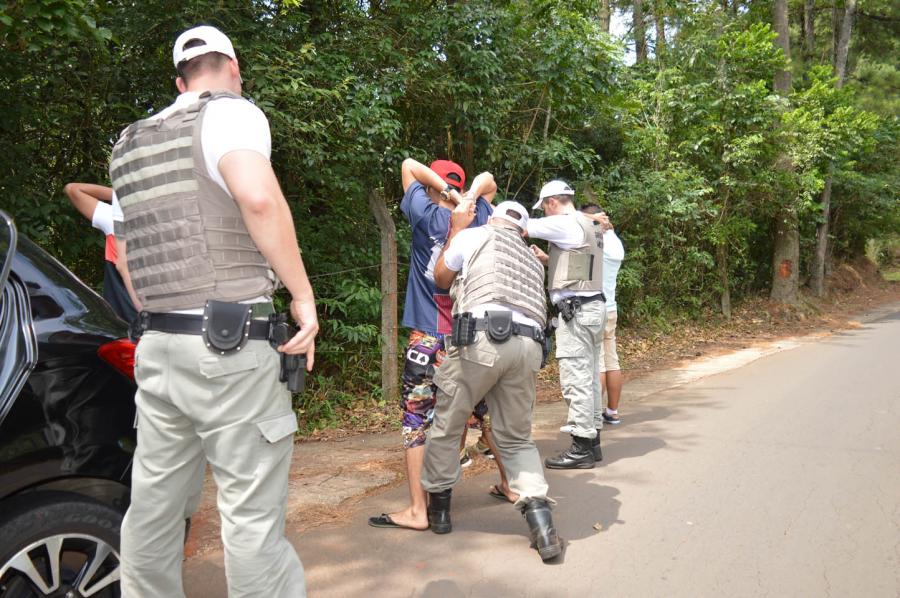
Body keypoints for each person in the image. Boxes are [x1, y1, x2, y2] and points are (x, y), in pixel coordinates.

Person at [108, 26, 317, 597]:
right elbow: (257, 197)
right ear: (233, 66)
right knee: (249, 516)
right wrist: (301, 296)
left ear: (179, 80)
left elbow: (125, 251)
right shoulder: (231, 113)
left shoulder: (129, 142)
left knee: (151, 511)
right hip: (228, 346)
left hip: (158, 347)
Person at [369, 157, 514, 530]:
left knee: (417, 417)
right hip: (469, 335)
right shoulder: (480, 214)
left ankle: (420, 510)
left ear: (434, 186)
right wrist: (469, 194)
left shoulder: (425, 212)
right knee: (482, 411)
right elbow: (490, 182)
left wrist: (445, 193)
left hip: (428, 335)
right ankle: (513, 485)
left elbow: (407, 165)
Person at [421, 200, 562, 562]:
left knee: (448, 423)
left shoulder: (475, 235)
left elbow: (440, 278)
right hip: (529, 347)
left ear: (494, 218)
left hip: (481, 340)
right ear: (522, 228)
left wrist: (454, 230)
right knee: (515, 437)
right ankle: (542, 522)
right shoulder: (533, 258)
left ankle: (439, 512)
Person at [527, 180, 606, 469]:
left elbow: (520, 224)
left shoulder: (564, 222)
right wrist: (550, 260)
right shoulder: (590, 227)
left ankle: (581, 447)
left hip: (577, 313)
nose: (544, 213)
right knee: (590, 376)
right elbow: (579, 266)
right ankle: (593, 441)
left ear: (551, 202)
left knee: (577, 379)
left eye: (544, 208)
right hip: (593, 307)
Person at [65, 182, 138, 322]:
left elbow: (73, 189)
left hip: (118, 323)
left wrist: (120, 196)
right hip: (159, 322)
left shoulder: (114, 222)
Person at [582, 204, 625, 425]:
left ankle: (594, 414)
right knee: (612, 361)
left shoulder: (596, 242)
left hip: (596, 306)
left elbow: (571, 218)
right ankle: (612, 411)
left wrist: (590, 219)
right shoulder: (615, 243)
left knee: (597, 363)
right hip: (612, 308)